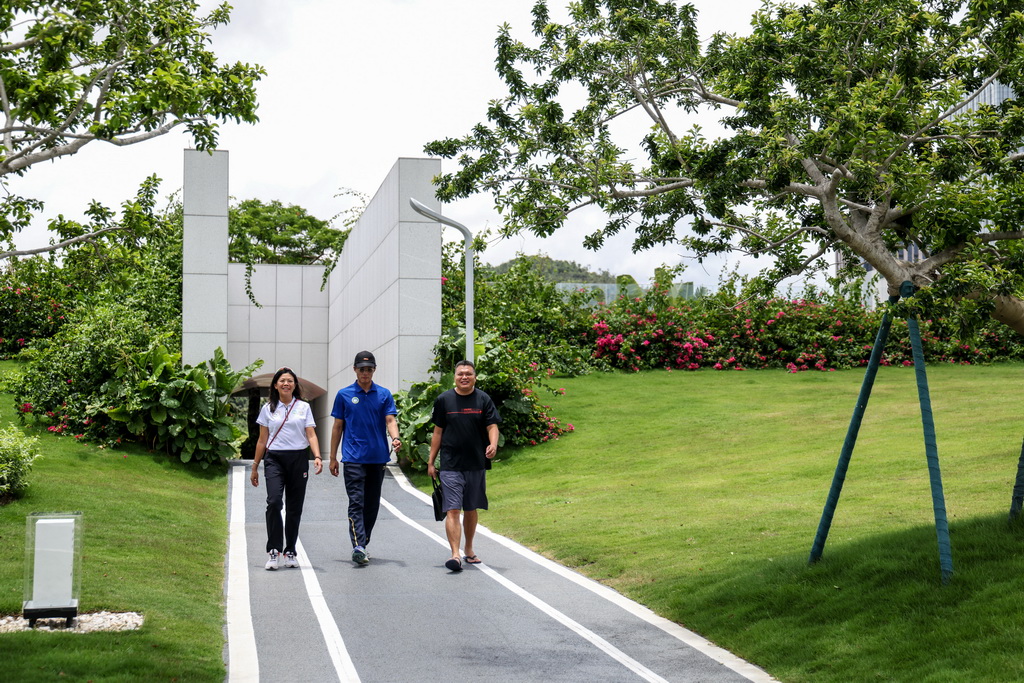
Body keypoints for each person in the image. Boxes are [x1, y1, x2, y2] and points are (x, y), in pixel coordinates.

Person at [427, 359, 501, 572]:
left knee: (471, 508)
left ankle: (468, 549)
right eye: (460, 374)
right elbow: (438, 432)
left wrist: (493, 444)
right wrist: (431, 462)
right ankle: (455, 554)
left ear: (475, 377)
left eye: (468, 373)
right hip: (450, 465)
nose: (464, 377)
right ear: (455, 377)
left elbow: (492, 426)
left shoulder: (483, 399)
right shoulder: (444, 400)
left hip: (476, 463)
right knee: (452, 510)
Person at [329, 350, 401, 565]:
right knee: (356, 502)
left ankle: (363, 541)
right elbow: (337, 426)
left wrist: (395, 438)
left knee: (371, 504)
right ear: (355, 370)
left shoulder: (383, 394)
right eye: (361, 369)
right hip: (353, 458)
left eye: (369, 369)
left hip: (377, 458)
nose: (365, 373)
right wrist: (332, 457)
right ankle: (358, 545)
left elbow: (390, 420)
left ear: (374, 370)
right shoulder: (344, 394)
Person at [251, 367, 322, 570]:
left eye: (290, 381)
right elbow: (262, 440)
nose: (286, 384)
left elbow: (311, 435)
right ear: (275, 384)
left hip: (298, 458)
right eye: (282, 380)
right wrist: (255, 466)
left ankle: (290, 550)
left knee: (294, 507)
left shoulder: (303, 407)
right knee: (274, 502)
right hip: (274, 459)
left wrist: (317, 456)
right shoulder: (267, 409)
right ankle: (274, 550)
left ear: (295, 385)